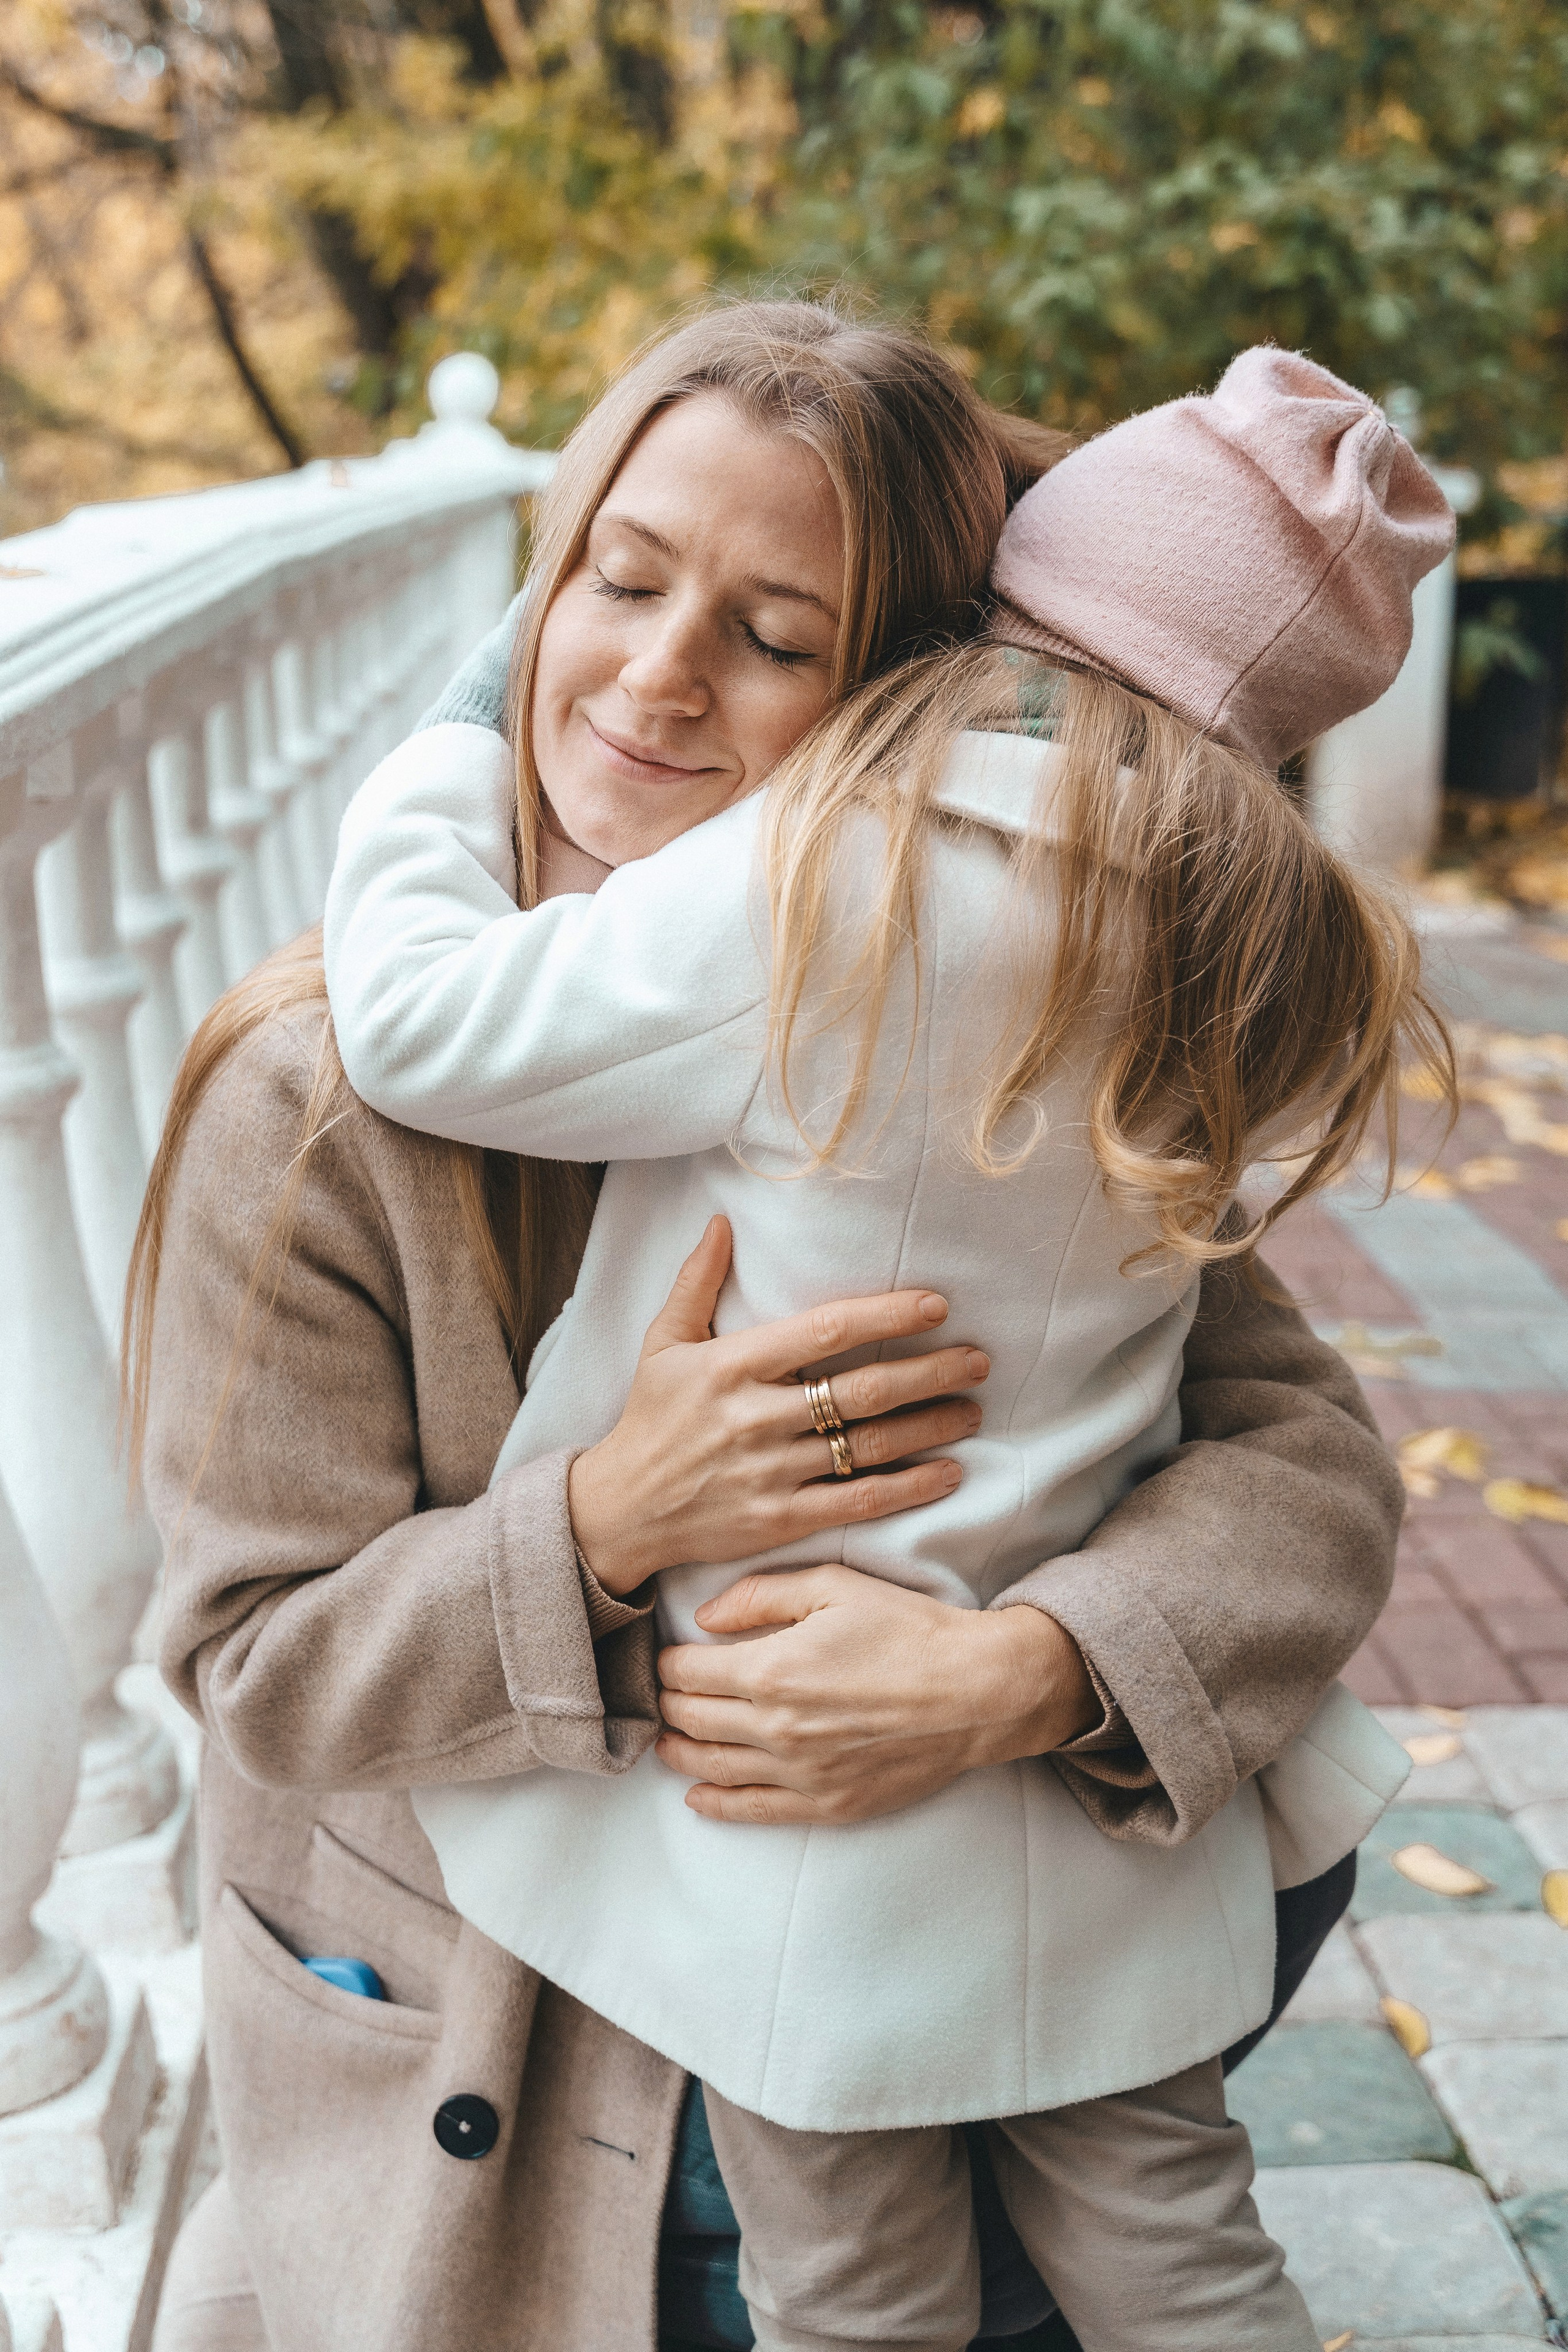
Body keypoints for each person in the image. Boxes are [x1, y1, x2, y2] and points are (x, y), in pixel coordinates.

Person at [140, 303, 1407, 2352]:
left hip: (948, 1972)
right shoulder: (315, 1105)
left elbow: (1310, 1462)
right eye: (618, 582)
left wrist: (1021, 1669)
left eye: (775, 635)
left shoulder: (949, 989)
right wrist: (607, 1519)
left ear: (905, 696)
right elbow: (253, 1666)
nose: (655, 675)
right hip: (543, 2062)